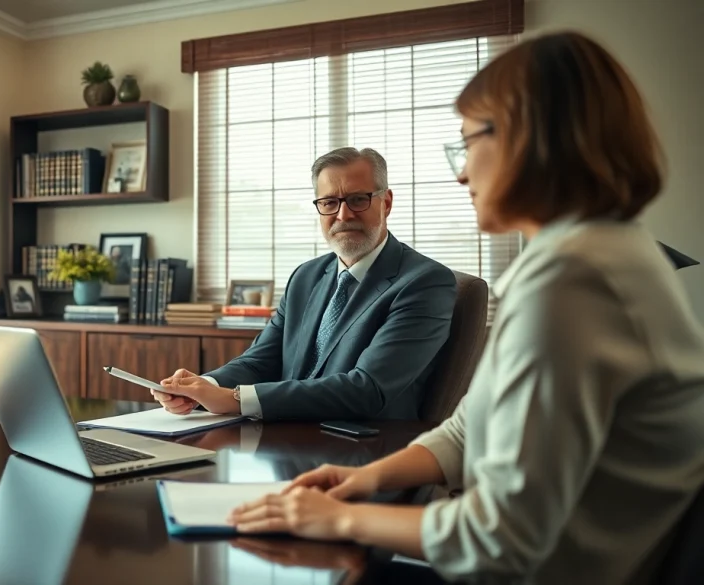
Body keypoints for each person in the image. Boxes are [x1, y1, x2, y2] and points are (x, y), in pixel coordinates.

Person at [228, 31, 704, 584]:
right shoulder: (596, 253)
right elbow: (467, 428)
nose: (460, 172)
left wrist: (341, 518)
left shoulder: (576, 281)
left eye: (467, 142)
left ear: (531, 140)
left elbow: (500, 537)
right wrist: (364, 479)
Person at [153, 147, 457, 421]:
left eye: (357, 199)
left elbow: (367, 389)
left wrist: (233, 399)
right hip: (285, 436)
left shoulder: (425, 283)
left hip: (365, 450)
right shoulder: (306, 276)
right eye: (329, 202)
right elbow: (261, 361)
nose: (343, 214)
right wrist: (205, 387)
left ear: (386, 202)